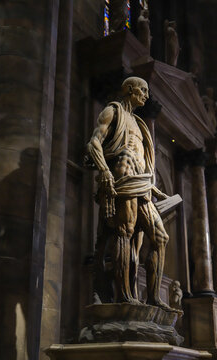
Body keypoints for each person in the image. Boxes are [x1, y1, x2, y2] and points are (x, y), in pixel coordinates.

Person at [86, 77, 171, 309]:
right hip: (122, 180)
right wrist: (104, 171)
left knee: (160, 237)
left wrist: (153, 188)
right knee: (125, 231)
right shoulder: (112, 111)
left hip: (141, 184)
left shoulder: (140, 124)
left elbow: (141, 159)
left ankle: (153, 298)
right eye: (142, 90)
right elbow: (94, 143)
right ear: (130, 90)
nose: (145, 94)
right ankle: (125, 298)